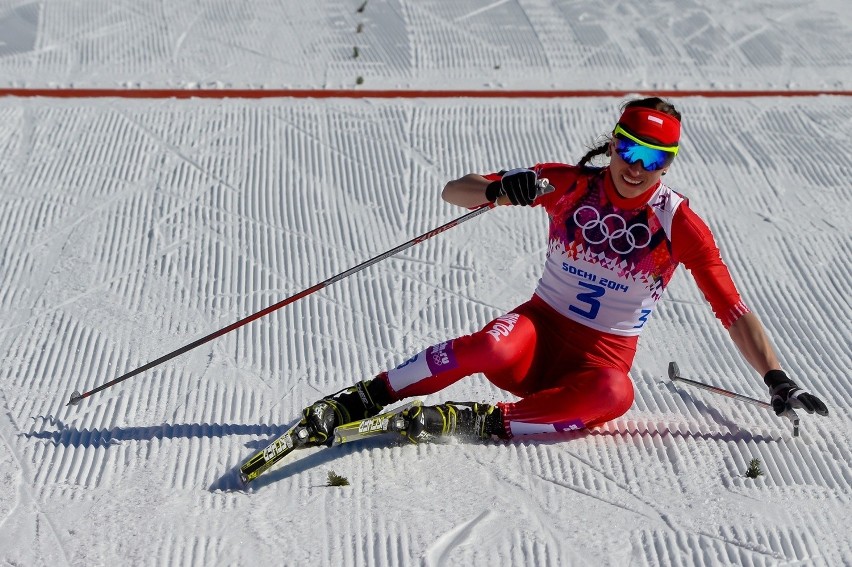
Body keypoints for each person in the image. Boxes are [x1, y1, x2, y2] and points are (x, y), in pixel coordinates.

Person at [297, 96, 829, 446]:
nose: (634, 169)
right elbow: (451, 190)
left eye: (653, 160)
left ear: (669, 165)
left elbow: (733, 311)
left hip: (595, 362)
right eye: (628, 149)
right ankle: (365, 396)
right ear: (614, 141)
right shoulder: (568, 184)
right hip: (537, 335)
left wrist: (777, 379)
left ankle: (485, 421)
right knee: (490, 347)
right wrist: (498, 190)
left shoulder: (680, 224)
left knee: (617, 395)